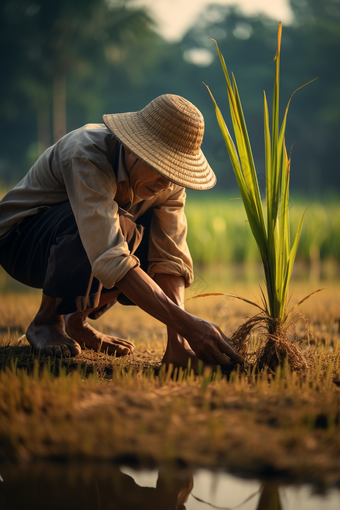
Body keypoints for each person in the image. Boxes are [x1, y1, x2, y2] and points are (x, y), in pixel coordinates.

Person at [0, 94, 244, 370]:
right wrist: (190, 326)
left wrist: (180, 341)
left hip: (91, 241)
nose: (166, 182)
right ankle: (46, 320)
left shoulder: (170, 184)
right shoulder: (86, 154)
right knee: (110, 227)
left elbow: (169, 257)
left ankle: (76, 322)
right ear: (131, 148)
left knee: (139, 236)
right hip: (20, 242)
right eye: (160, 166)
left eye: (174, 172)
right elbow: (108, 253)